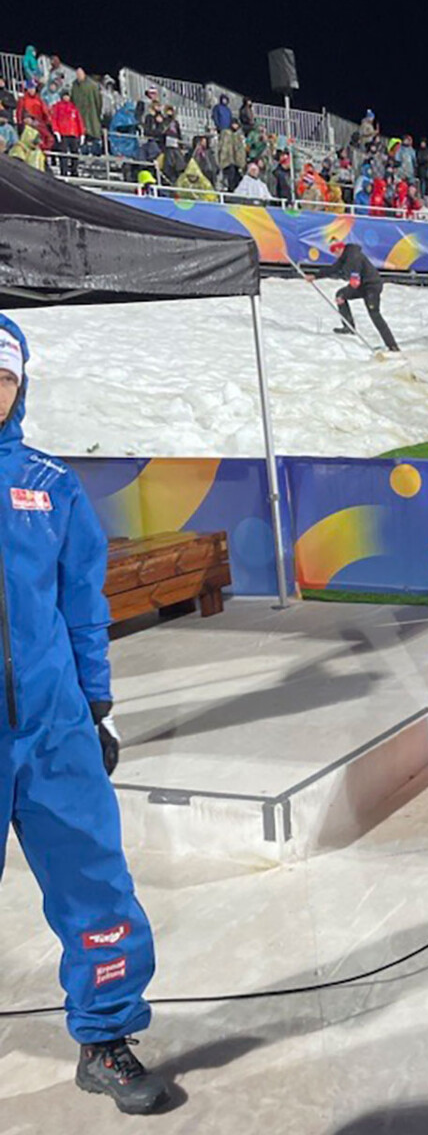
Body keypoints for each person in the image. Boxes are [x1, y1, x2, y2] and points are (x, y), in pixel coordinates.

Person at [0, 315, 169, 1115]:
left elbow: (81, 609)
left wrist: (97, 707)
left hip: (52, 728)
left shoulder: (51, 486)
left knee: (95, 886)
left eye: (2, 376)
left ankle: (104, 1039)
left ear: (20, 384)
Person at [306, 242, 399, 352]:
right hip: (361, 286)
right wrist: (315, 276)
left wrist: (349, 288)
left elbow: (355, 282)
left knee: (374, 314)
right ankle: (348, 327)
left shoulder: (354, 257)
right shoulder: (344, 257)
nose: (335, 254)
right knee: (340, 294)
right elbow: (333, 269)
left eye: (335, 251)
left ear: (340, 248)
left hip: (371, 286)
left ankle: (392, 346)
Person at [70, 67, 104, 155]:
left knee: (93, 133)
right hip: (79, 114)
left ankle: (96, 152)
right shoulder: (74, 85)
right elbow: (72, 99)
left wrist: (97, 113)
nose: (78, 76)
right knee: (82, 135)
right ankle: (83, 152)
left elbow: (98, 101)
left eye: (80, 74)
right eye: (77, 74)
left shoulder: (92, 85)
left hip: (91, 113)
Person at [50, 92, 85, 176]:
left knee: (75, 153)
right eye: (65, 96)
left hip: (73, 133)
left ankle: (74, 171)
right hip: (63, 133)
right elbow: (54, 119)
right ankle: (64, 171)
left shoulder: (73, 107)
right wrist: (56, 131)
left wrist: (82, 133)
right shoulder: (57, 107)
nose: (66, 98)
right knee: (63, 154)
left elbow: (79, 121)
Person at [16, 80, 53, 148]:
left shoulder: (39, 100)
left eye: (33, 88)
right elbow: (19, 112)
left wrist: (48, 121)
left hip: (39, 122)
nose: (31, 90)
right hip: (28, 121)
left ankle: (43, 149)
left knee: (49, 137)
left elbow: (45, 112)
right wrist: (20, 123)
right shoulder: (23, 99)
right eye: (30, 88)